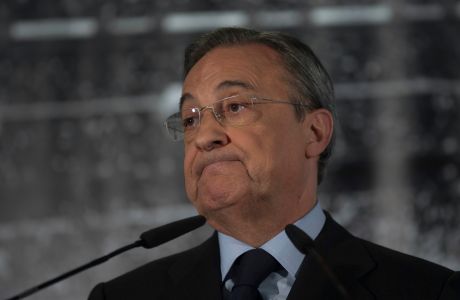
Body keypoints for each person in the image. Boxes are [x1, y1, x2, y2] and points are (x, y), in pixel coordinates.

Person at [88, 27, 459, 300]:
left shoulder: (430, 292)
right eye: (190, 119)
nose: (203, 137)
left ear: (314, 132)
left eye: (235, 107)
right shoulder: (121, 298)